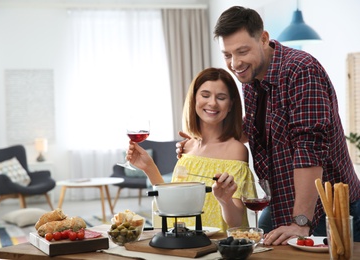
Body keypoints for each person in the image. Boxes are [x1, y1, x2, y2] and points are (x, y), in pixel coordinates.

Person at [177, 6, 360, 245]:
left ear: (263, 38)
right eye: (227, 54)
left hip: (329, 210)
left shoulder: (301, 70)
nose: (235, 63)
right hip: (281, 205)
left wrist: (300, 223)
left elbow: (309, 151)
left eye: (242, 51)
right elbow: (253, 127)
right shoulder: (250, 77)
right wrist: (199, 144)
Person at [126, 67, 255, 232]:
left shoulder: (236, 150)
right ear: (194, 99)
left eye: (221, 97)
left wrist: (225, 200)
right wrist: (149, 167)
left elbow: (237, 223)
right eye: (205, 95)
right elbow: (172, 204)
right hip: (181, 243)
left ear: (230, 105)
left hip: (216, 248)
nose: (212, 103)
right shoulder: (186, 147)